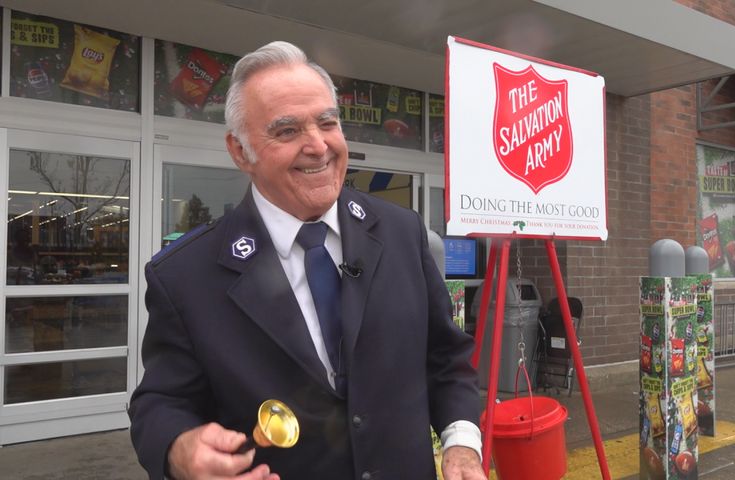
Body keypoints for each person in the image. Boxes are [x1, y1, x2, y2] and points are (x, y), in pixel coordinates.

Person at [129, 41, 486, 480]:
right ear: (241, 152)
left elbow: (447, 358)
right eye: (286, 131)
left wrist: (462, 442)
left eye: (327, 122)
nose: (318, 146)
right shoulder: (185, 276)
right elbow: (160, 403)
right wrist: (179, 449)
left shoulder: (401, 234)